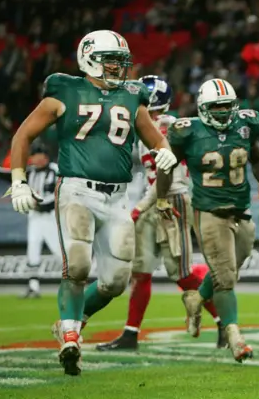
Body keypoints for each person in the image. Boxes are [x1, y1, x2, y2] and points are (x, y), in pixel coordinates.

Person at [7, 30, 178, 376]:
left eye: (122, 62)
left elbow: (156, 138)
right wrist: (18, 180)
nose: (119, 68)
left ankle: (74, 321)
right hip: (76, 191)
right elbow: (23, 134)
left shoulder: (132, 95)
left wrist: (166, 154)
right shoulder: (65, 89)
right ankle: (71, 336)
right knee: (79, 264)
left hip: (117, 196)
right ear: (89, 59)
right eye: (112, 61)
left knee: (115, 281)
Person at [95, 76, 226, 352]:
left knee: (183, 275)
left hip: (172, 202)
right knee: (140, 273)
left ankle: (225, 321)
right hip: (153, 202)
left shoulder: (169, 128)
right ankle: (131, 335)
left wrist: (138, 208)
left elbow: (166, 178)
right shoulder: (145, 128)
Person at [157, 78, 259, 363]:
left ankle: (196, 299)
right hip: (208, 212)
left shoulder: (246, 125)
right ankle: (234, 336)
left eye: (227, 106)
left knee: (234, 264)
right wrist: (161, 198)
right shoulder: (187, 132)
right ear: (203, 108)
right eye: (216, 106)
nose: (223, 111)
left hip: (241, 208)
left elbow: (257, 156)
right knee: (225, 278)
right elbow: (166, 163)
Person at [23, 142, 61, 298]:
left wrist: (39, 203)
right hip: (34, 217)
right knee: (32, 248)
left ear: (45, 157)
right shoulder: (29, 172)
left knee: (58, 250)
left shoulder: (54, 170)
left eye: (38, 156)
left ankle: (77, 279)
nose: (34, 159)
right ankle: (33, 286)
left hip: (50, 216)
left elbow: (58, 193)